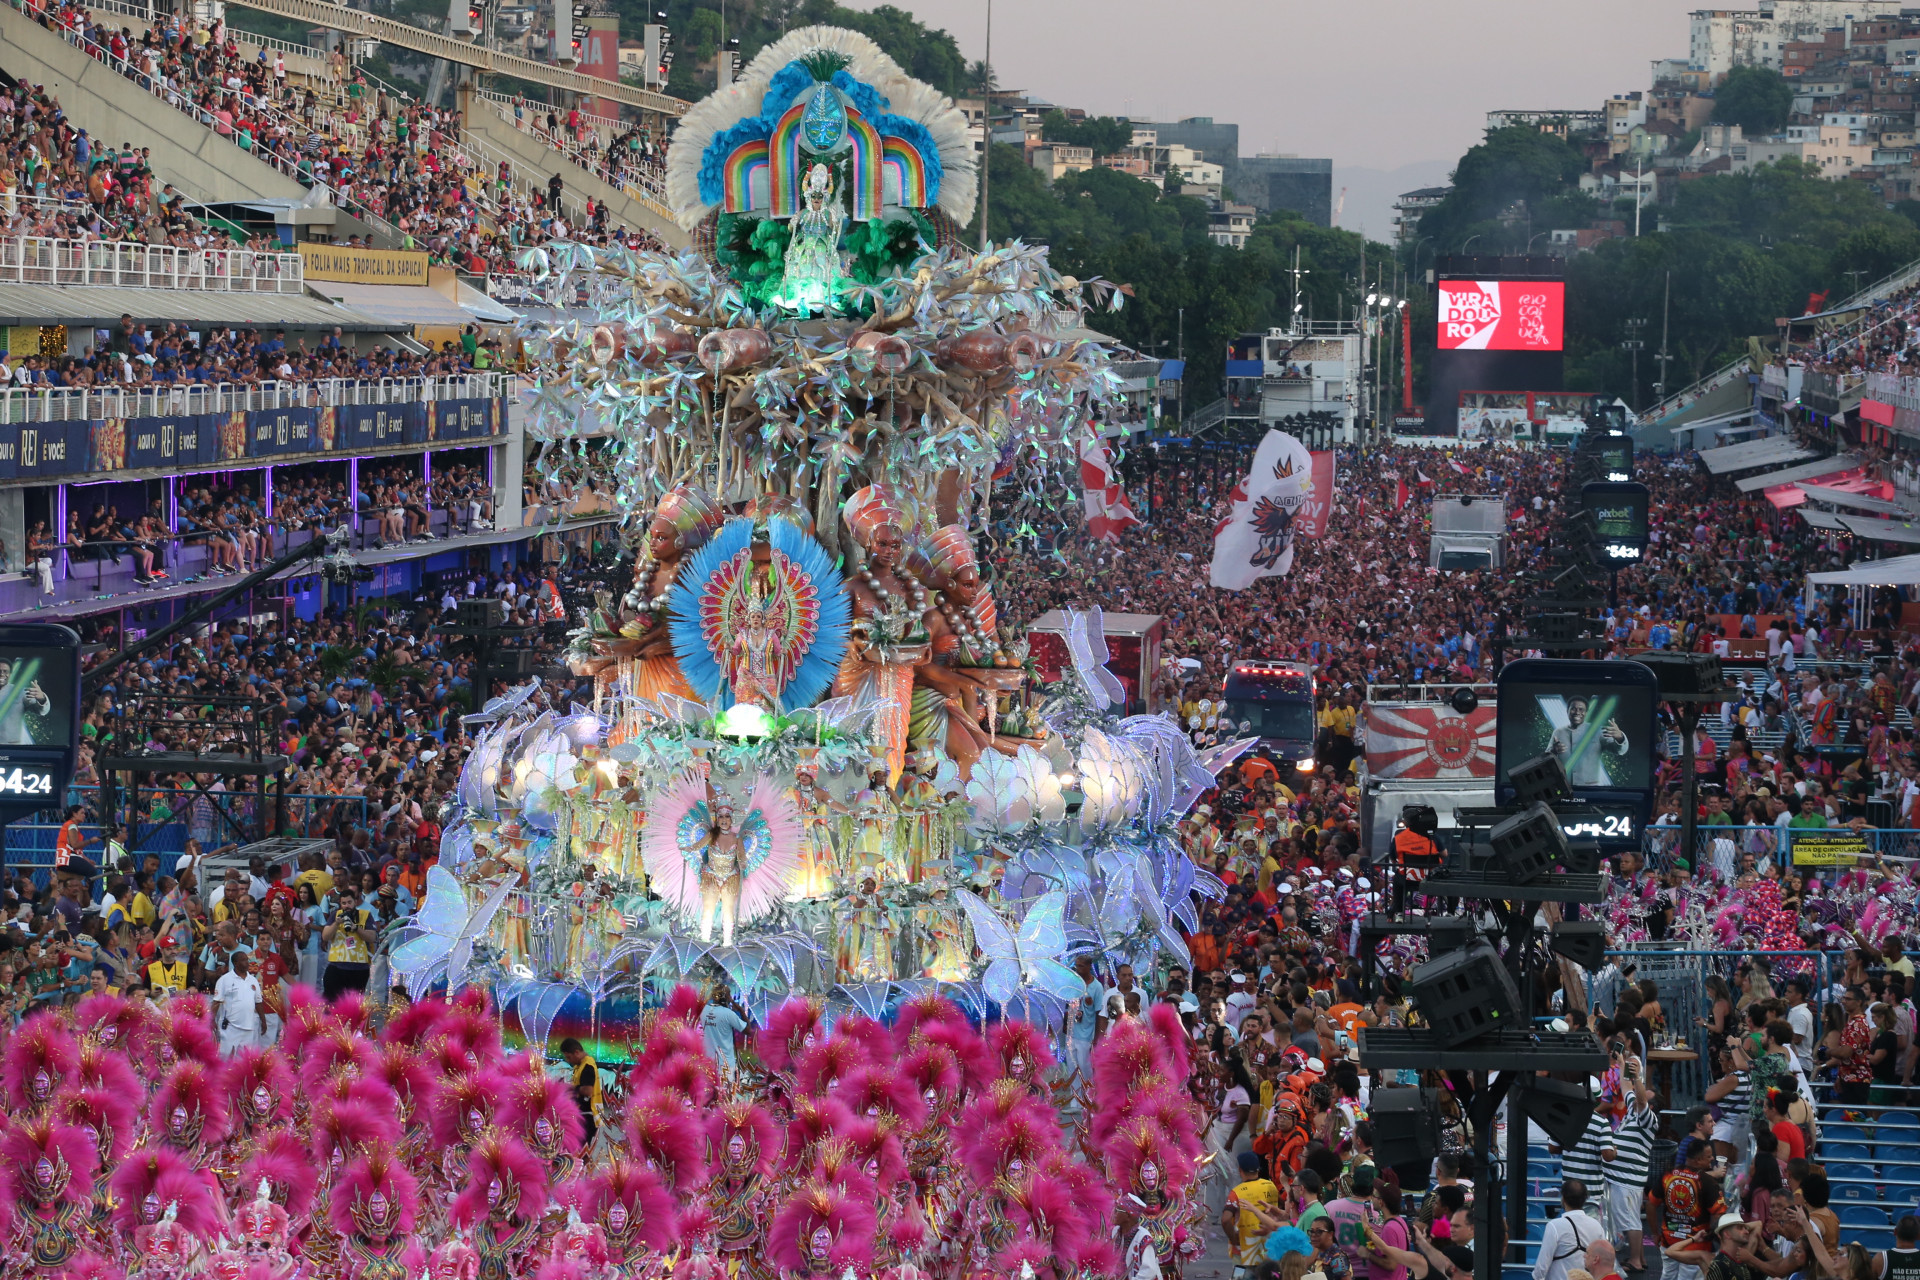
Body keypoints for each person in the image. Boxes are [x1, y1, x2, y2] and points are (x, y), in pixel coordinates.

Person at [1224, 1151, 1280, 1278]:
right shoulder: (1270, 1186)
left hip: (1244, 1251)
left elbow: (1225, 1219)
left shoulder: (1236, 1193)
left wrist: (1233, 1238)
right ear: (1258, 1169)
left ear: (1240, 1170)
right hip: (1268, 1248)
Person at [1535, 1180, 1605, 1280]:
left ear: (1563, 1199)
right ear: (1585, 1199)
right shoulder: (1597, 1226)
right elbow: (1603, 1261)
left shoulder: (1554, 1226)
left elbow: (1541, 1267)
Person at [211, 948, 262, 1056]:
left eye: (247, 960)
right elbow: (216, 1002)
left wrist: (264, 1021)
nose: (247, 963)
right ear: (235, 963)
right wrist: (212, 1020)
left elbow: (258, 1002)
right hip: (230, 1027)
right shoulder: (224, 980)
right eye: (243, 960)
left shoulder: (253, 980)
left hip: (249, 1026)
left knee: (245, 1059)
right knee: (226, 1057)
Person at [559, 1036, 601, 1150]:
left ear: (576, 1052)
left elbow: (588, 1091)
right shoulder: (581, 1065)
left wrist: (570, 1088)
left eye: (569, 1057)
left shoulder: (587, 1066)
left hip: (588, 1116)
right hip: (584, 1114)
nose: (568, 1060)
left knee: (582, 1151)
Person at [700, 985, 748, 1073]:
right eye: (729, 995)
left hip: (707, 1065)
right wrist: (741, 1011)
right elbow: (748, 1031)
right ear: (726, 997)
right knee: (727, 1087)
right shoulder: (728, 1014)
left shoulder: (704, 1010)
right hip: (726, 1067)